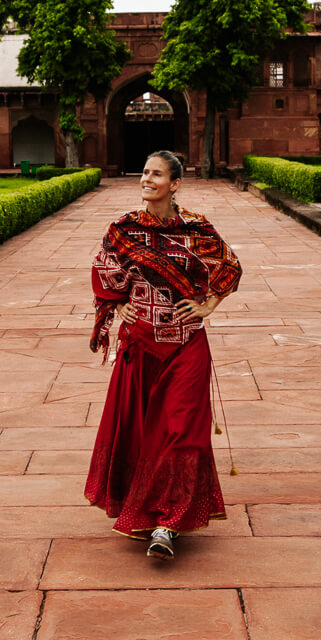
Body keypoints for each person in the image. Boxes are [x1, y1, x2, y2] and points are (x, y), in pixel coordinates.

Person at [85, 150, 242, 560]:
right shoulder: (123, 229)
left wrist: (209, 303)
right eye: (144, 172)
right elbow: (105, 275)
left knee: (182, 430)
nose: (147, 179)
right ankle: (143, 509)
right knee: (141, 430)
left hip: (187, 343)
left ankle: (168, 522)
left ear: (175, 183)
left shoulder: (196, 229)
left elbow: (229, 265)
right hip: (140, 343)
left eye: (156, 174)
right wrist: (116, 307)